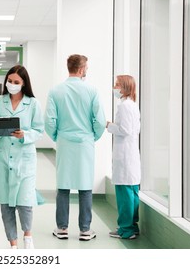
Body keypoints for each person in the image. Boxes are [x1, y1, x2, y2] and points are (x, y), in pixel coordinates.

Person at [44, 54, 105, 241]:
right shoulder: (92, 91)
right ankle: (85, 230)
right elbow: (100, 122)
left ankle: (62, 228)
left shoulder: (56, 91)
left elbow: (49, 121)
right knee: (85, 185)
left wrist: (57, 136)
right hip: (85, 143)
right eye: (86, 67)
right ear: (81, 69)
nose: (87, 70)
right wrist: (92, 136)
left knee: (63, 185)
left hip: (64, 142)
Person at [0, 65, 45, 249]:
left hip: (25, 158)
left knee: (25, 201)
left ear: (24, 84)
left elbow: (39, 130)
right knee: (5, 203)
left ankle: (28, 238)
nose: (12, 84)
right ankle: (13, 244)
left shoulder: (33, 103)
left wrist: (25, 135)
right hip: (4, 157)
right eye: (10, 81)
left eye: (16, 82)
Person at [106, 75, 141, 240]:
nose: (115, 87)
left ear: (125, 87)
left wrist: (109, 126)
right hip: (130, 154)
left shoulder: (124, 107)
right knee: (132, 192)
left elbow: (125, 130)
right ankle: (132, 227)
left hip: (125, 156)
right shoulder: (132, 105)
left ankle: (126, 230)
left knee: (124, 194)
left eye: (117, 84)